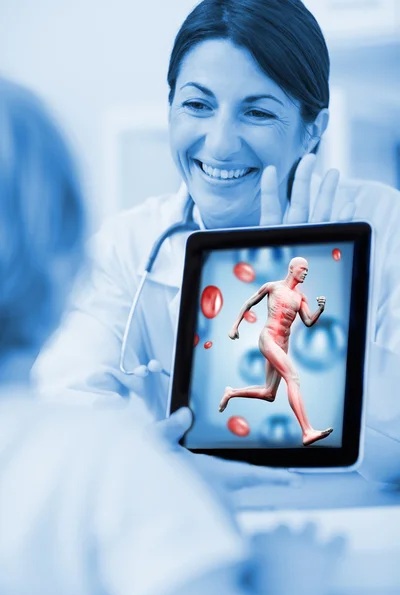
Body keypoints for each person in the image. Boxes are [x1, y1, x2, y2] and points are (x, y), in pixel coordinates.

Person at [33, 0, 400, 485]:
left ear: (313, 130)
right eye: (197, 105)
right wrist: (150, 462)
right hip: (193, 533)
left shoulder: (385, 225)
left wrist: (323, 337)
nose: (221, 143)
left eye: (258, 111)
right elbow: (62, 421)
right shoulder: (129, 247)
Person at [219, 257, 334, 447]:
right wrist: (234, 326)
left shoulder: (300, 298)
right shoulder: (273, 287)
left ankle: (231, 392)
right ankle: (307, 431)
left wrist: (320, 310)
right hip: (269, 338)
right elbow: (249, 303)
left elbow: (308, 321)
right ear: (292, 269)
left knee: (269, 393)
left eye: (308, 270)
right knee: (293, 378)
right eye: (303, 269)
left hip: (283, 344)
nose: (306, 273)